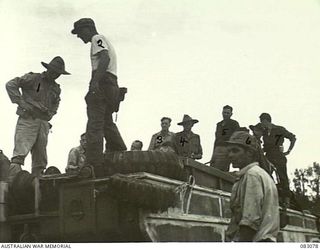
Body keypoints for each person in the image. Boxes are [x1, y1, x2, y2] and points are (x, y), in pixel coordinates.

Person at [71, 18, 127, 170]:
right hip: (111, 84)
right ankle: (120, 152)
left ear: (87, 29)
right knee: (107, 122)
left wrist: (94, 83)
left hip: (103, 82)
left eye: (79, 32)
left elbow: (104, 57)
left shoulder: (97, 39)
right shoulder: (104, 40)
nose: (79, 36)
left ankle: (93, 164)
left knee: (95, 124)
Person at [6, 56, 70, 178]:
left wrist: (51, 113)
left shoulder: (56, 88)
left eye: (59, 73)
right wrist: (22, 103)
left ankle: (38, 186)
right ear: (49, 69)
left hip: (43, 124)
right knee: (19, 156)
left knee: (40, 161)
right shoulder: (34, 78)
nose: (56, 75)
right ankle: (11, 188)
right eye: (54, 72)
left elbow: (57, 102)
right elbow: (11, 84)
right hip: (28, 120)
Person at [225, 131, 280, 242]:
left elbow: (249, 224)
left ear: (249, 153)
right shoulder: (259, 174)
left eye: (235, 150)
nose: (230, 155)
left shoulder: (252, 175)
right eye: (229, 151)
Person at [259, 113, 296, 207]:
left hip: (278, 155)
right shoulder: (264, 132)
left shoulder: (280, 129)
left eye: (262, 122)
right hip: (268, 155)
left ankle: (286, 200)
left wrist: (288, 151)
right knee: (266, 174)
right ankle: (271, 196)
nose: (261, 124)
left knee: (282, 176)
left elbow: (293, 138)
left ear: (266, 121)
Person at [210, 105, 240, 171]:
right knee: (212, 168)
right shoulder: (219, 124)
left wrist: (232, 151)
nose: (225, 114)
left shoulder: (234, 123)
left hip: (227, 149)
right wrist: (213, 154)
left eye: (227, 113)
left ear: (231, 114)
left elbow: (236, 137)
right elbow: (216, 139)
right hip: (217, 149)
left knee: (222, 170)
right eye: (224, 112)